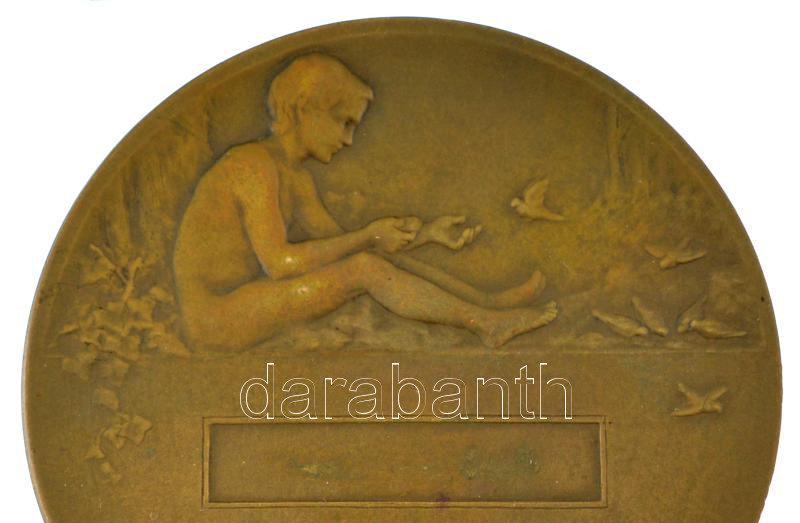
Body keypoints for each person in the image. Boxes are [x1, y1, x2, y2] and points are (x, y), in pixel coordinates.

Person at [173, 52, 556, 351]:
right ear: (304, 109)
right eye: (344, 123)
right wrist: (368, 236)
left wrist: (424, 235)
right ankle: (486, 323)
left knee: (368, 261)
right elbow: (280, 264)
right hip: (215, 317)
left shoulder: (295, 177)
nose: (349, 140)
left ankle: (487, 303)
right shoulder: (252, 166)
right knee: (363, 268)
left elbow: (346, 245)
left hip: (247, 303)